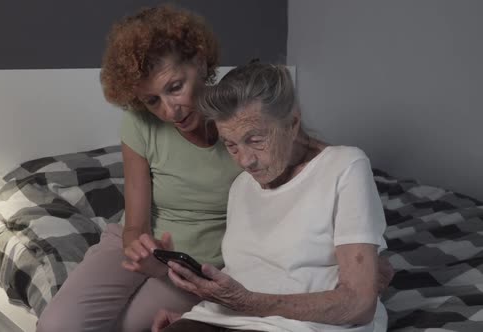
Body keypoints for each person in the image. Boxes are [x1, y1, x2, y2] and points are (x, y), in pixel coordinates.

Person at [37, 6, 392, 332]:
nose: (169, 111)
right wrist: (142, 250)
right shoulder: (148, 129)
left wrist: (368, 257)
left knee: (132, 328)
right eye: (151, 100)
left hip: (202, 264)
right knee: (58, 326)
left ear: (201, 63)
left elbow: (315, 170)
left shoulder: (253, 121)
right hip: (152, 249)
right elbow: (136, 224)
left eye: (175, 87)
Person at [152, 63, 388, 332]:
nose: (245, 161)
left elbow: (360, 304)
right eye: (231, 145)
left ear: (292, 123)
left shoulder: (345, 166)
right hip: (225, 319)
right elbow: (252, 271)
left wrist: (250, 304)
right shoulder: (241, 186)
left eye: (254, 139)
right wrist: (192, 318)